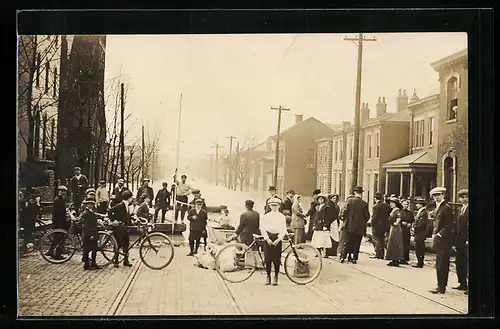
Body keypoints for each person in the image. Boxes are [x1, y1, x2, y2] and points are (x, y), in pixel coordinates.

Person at [428, 187, 455, 294]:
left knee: (442, 263)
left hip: (443, 240)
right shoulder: (439, 207)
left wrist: (439, 234)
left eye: (438, 195)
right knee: (440, 262)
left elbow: (449, 225)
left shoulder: (446, 207)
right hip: (439, 239)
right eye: (434, 196)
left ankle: (441, 286)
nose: (436, 197)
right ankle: (440, 285)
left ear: (443, 195)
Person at [260, 198, 287, 286]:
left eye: (276, 205)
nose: (274, 207)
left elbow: (283, 229)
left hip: (277, 237)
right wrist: (267, 238)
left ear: (279, 206)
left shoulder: (281, 216)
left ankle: (276, 276)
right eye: (272, 205)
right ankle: (268, 276)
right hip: (268, 237)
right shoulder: (266, 216)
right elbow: (262, 228)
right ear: (270, 206)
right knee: (267, 259)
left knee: (276, 259)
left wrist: (278, 239)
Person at [341, 186, 370, 264]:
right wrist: (362, 222)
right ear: (361, 193)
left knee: (347, 242)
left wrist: (345, 219)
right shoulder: (364, 203)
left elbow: (344, 212)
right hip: (359, 228)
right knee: (357, 243)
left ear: (354, 192)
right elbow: (367, 216)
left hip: (349, 225)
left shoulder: (349, 201)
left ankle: (343, 257)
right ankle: (354, 259)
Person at [108, 189, 134, 268]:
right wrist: (114, 220)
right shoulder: (120, 205)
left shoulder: (127, 205)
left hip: (124, 227)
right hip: (118, 227)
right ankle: (116, 261)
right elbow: (109, 211)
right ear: (129, 198)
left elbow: (126, 215)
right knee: (118, 244)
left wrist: (131, 220)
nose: (132, 199)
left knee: (126, 243)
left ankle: (126, 260)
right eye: (132, 198)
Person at [47, 185, 71, 260]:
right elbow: (58, 213)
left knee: (58, 237)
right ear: (59, 191)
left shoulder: (60, 199)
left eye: (64, 192)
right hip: (58, 222)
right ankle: (57, 254)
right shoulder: (58, 200)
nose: (63, 193)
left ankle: (51, 251)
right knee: (59, 237)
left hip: (60, 221)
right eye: (62, 191)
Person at [453, 189, 469, 294]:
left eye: (466, 197)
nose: (464, 199)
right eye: (462, 197)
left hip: (467, 240)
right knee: (459, 261)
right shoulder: (460, 210)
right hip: (459, 241)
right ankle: (462, 283)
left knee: (467, 262)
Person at [80, 199, 102, 270]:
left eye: (92, 204)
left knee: (94, 249)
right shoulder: (86, 213)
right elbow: (86, 226)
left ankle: (93, 263)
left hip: (93, 233)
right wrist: (91, 235)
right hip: (88, 234)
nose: (91, 205)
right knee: (86, 250)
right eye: (90, 204)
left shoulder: (91, 212)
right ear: (87, 205)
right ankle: (86, 265)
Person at [368, 192, 391, 260]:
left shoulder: (375, 206)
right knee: (382, 240)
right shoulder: (387, 206)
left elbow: (374, 217)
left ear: (375, 198)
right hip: (385, 226)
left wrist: (371, 224)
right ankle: (382, 254)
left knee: (376, 239)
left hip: (377, 226)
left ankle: (378, 253)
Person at [385, 197, 404, 267]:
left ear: (396, 204)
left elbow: (399, 217)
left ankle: (396, 259)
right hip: (392, 228)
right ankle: (393, 259)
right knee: (392, 243)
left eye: (392, 203)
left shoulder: (397, 210)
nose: (391, 204)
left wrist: (396, 223)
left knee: (395, 243)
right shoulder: (393, 210)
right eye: (390, 203)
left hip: (396, 229)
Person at [412, 197, 429, 268]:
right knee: (418, 247)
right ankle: (419, 261)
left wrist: (414, 228)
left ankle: (420, 262)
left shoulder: (423, 212)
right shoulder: (421, 212)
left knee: (419, 247)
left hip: (420, 232)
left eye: (417, 204)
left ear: (421, 205)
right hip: (419, 232)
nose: (416, 205)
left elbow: (421, 223)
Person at [338, 194, 354, 262]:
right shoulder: (345, 207)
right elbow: (340, 216)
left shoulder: (347, 208)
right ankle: (343, 254)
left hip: (347, 226)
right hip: (346, 227)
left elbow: (341, 215)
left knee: (347, 242)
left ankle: (347, 255)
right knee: (345, 241)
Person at [399, 199, 414, 265]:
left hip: (407, 230)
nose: (405, 205)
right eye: (404, 204)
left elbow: (412, 220)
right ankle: (400, 258)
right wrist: (402, 223)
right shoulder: (400, 212)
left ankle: (405, 258)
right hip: (401, 230)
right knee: (401, 244)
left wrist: (410, 224)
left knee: (406, 245)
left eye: (406, 204)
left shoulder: (410, 213)